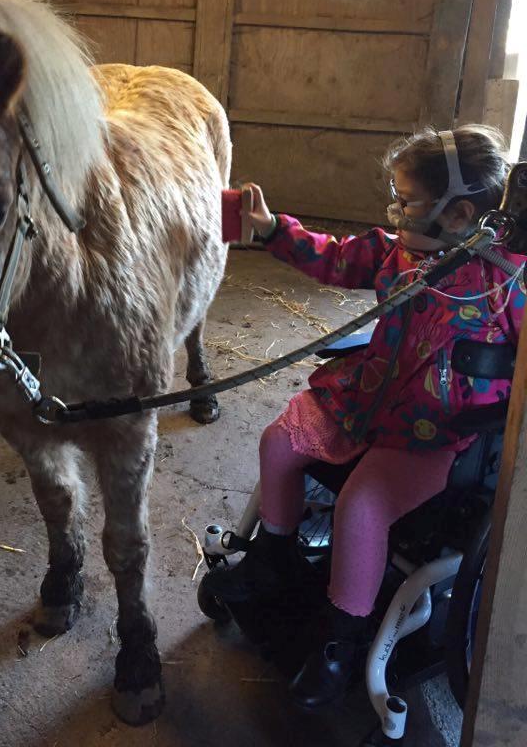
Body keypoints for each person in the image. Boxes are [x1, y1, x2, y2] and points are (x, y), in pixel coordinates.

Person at [208, 125, 525, 710]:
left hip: (436, 434)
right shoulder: (398, 252)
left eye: (405, 200)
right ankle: (273, 554)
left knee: (361, 506)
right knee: (280, 440)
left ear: (457, 215)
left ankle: (340, 640)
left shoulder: (508, 283)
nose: (395, 208)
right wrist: (274, 229)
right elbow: (333, 259)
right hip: (369, 397)